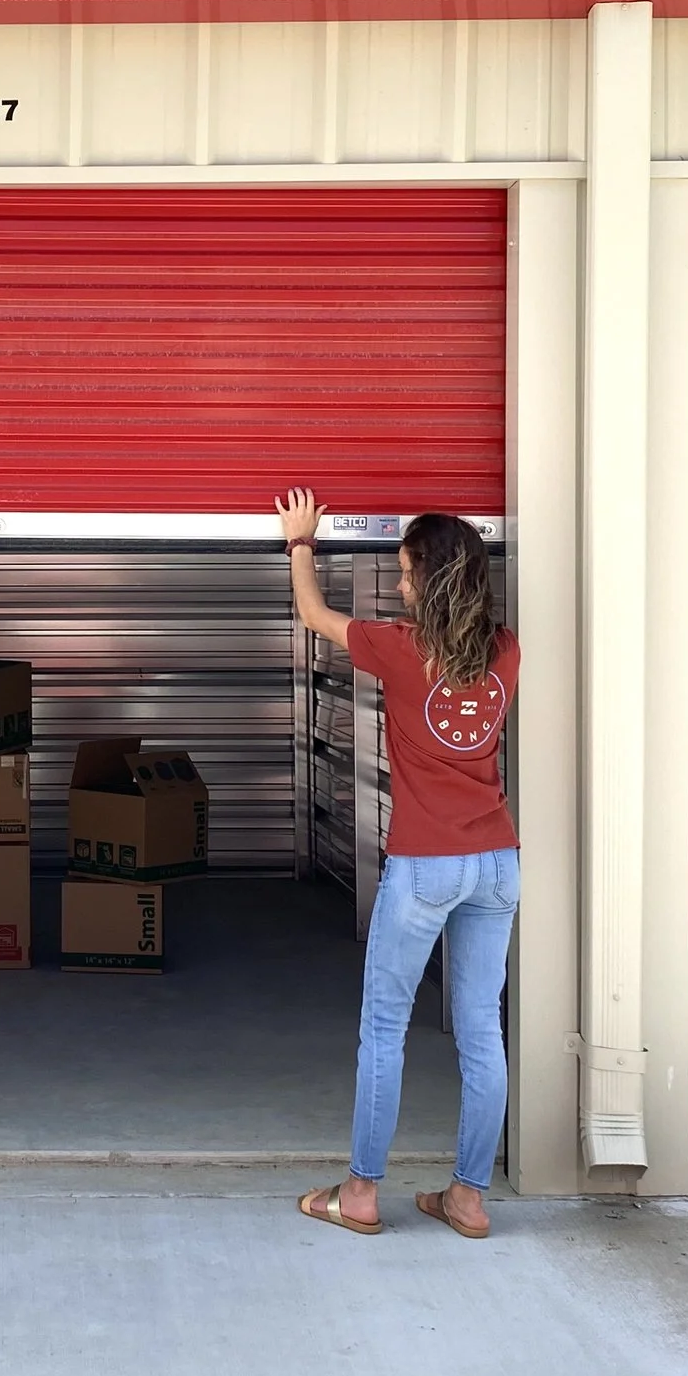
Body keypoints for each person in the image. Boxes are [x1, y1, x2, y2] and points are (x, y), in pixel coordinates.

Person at [279, 488, 519, 1239]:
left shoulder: (401, 647)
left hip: (426, 864)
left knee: (385, 1025)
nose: (401, 583)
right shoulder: (506, 649)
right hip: (497, 862)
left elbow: (313, 614)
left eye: (408, 571)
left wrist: (301, 542)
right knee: (481, 1030)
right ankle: (468, 1199)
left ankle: (359, 1193)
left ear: (432, 578)